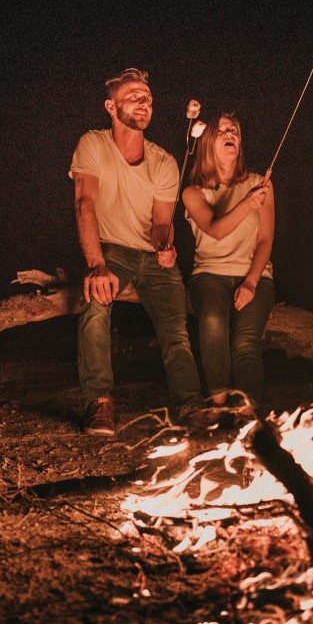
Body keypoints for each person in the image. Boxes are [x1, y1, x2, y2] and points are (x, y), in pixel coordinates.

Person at [69, 67, 203, 437]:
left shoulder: (164, 162)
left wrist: (166, 245)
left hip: (150, 258)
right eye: (134, 96)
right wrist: (96, 264)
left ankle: (191, 408)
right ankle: (99, 403)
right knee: (95, 306)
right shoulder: (93, 144)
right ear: (111, 106)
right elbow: (84, 204)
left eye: (148, 98)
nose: (144, 103)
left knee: (176, 330)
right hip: (112, 251)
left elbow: (162, 222)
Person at [182, 112, 275, 423]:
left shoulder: (259, 183)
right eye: (221, 129)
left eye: (233, 128)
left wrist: (250, 283)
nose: (229, 131)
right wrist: (248, 203)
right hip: (209, 274)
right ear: (209, 142)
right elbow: (216, 229)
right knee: (212, 321)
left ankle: (247, 411)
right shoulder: (193, 192)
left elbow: (265, 241)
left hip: (255, 275)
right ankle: (218, 405)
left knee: (246, 340)